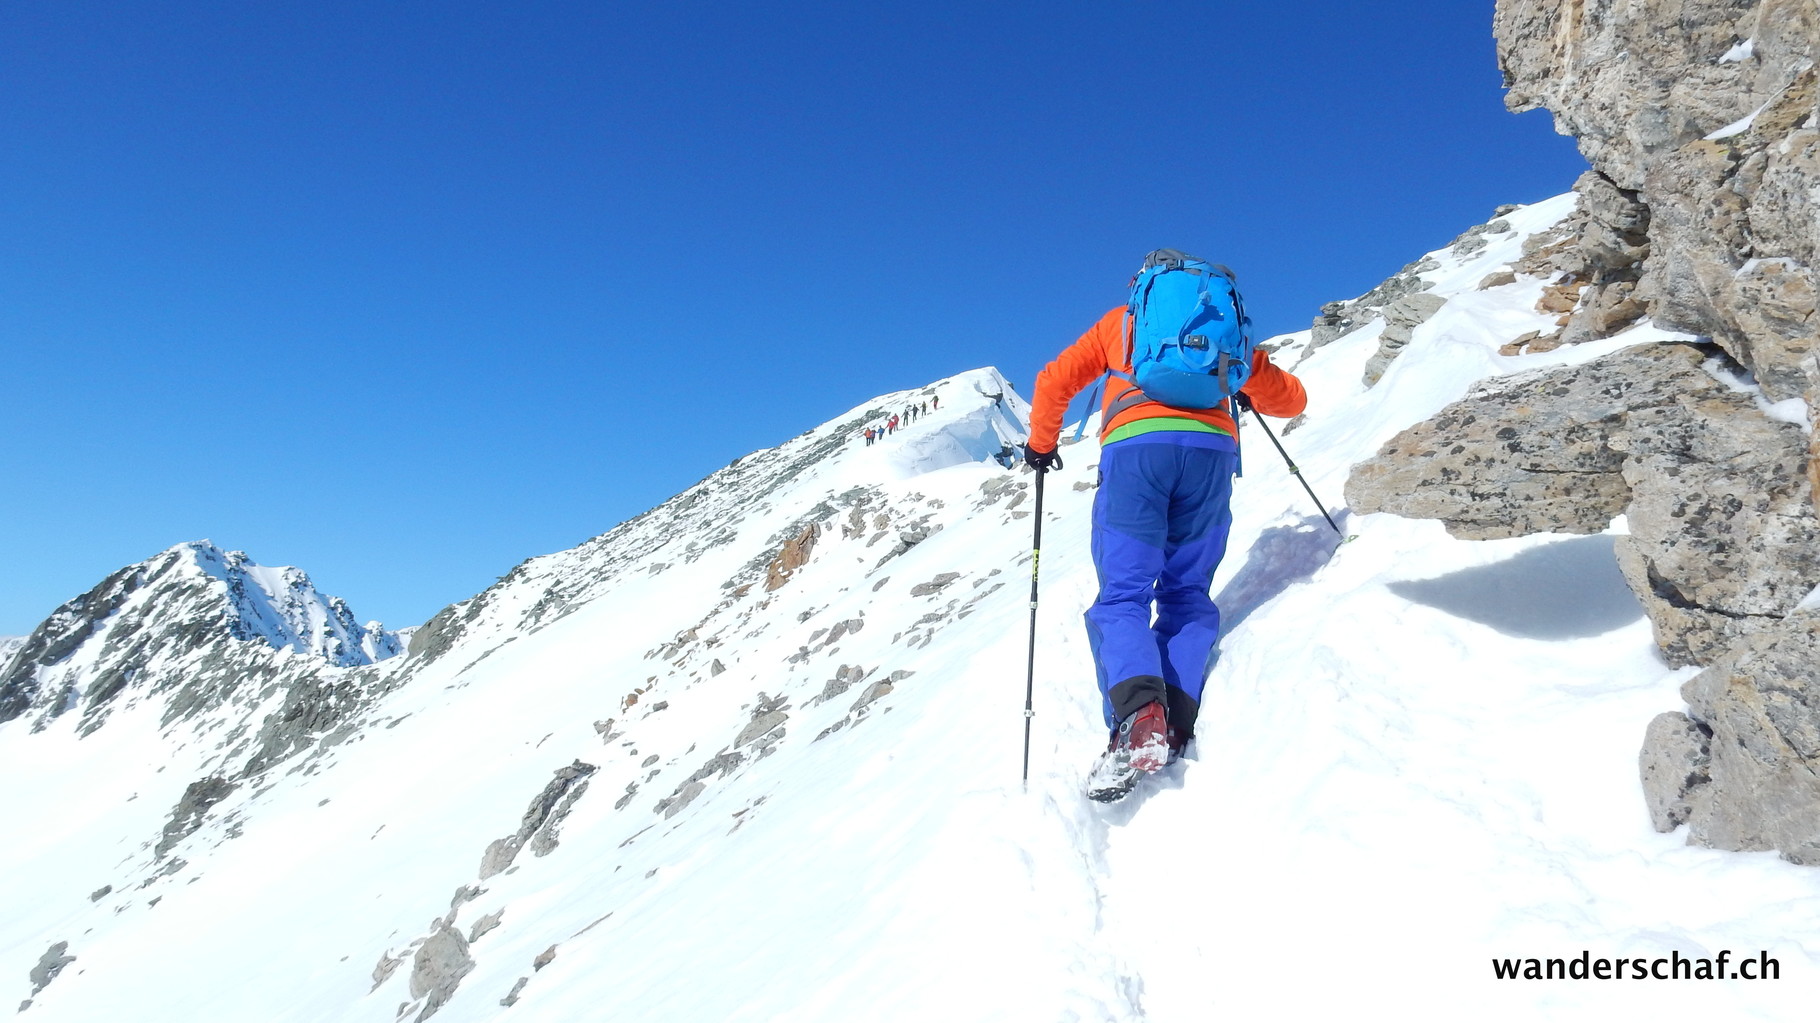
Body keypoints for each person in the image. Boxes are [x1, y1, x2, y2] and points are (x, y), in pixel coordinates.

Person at [1025, 252, 1307, 785]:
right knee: (1186, 593)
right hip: (1211, 455)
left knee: (1123, 594)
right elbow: (1291, 402)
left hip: (1138, 450)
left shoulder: (1122, 324)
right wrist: (1236, 380)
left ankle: (1138, 718)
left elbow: (1053, 381)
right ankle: (1175, 718)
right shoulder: (1229, 336)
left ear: (1145, 291)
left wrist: (1041, 446)